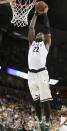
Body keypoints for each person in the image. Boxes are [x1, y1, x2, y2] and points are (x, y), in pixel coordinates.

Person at [28, 2, 53, 131]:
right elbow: (31, 28)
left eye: (42, 34)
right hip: (31, 74)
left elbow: (47, 29)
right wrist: (35, 14)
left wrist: (46, 15)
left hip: (42, 73)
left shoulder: (46, 45)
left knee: (45, 101)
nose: (39, 33)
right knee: (36, 101)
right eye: (38, 33)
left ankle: (47, 121)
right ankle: (39, 120)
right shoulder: (31, 42)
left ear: (44, 38)